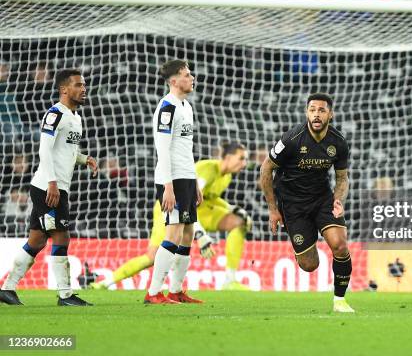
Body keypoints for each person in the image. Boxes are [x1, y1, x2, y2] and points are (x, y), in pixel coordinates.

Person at [91, 141, 251, 291]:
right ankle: (105, 283)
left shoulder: (226, 176)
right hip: (170, 206)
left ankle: (230, 280)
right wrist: (200, 233)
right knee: (152, 257)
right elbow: (189, 197)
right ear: (228, 157)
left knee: (239, 222)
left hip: (197, 210)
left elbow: (210, 197)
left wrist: (233, 208)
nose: (244, 164)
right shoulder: (208, 168)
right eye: (241, 158)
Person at [0, 69, 98, 306]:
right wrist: (52, 183)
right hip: (47, 186)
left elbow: (67, 151)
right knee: (61, 236)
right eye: (78, 85)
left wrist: (84, 159)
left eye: (83, 85)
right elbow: (45, 149)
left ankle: (7, 289)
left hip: (56, 186)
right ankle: (65, 294)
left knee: (36, 241)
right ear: (64, 89)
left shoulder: (76, 117)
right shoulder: (55, 114)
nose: (83, 89)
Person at [259, 93, 354, 313]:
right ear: (306, 113)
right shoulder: (292, 139)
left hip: (322, 199)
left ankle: (340, 301)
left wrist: (338, 200)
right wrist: (273, 210)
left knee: (339, 245)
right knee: (309, 265)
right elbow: (266, 169)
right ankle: (304, 237)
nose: (316, 114)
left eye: (322, 110)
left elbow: (342, 178)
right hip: (293, 205)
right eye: (312, 110)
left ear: (331, 114)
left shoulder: (338, 142)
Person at [144, 60, 203, 305]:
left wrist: (195, 182)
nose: (192, 78)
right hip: (172, 179)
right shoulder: (167, 108)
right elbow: (163, 149)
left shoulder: (186, 106)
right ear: (174, 81)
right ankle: (154, 292)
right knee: (174, 231)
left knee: (188, 233)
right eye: (187, 75)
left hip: (186, 177)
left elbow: (185, 149)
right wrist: (168, 185)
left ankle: (176, 290)